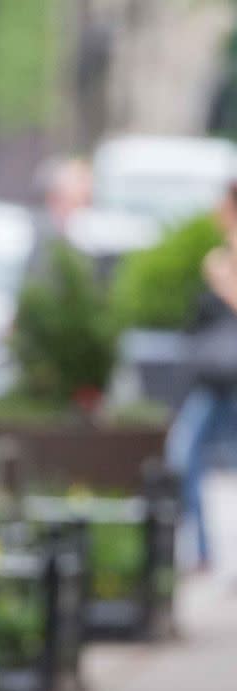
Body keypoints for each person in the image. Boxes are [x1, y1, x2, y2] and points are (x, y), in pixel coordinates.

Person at [166, 181, 237, 569]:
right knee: (185, 455)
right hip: (217, 378)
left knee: (184, 453)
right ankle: (204, 550)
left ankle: (206, 551)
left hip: (226, 379)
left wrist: (221, 277)